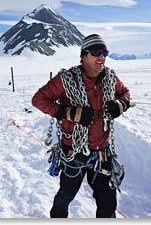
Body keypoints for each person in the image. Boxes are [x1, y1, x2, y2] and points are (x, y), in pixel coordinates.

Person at [31, 34, 131, 218]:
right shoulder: (66, 79)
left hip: (101, 153)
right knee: (65, 196)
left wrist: (121, 104)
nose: (101, 57)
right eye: (96, 52)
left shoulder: (109, 77)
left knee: (108, 202)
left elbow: (125, 93)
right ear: (83, 56)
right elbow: (38, 99)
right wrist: (69, 112)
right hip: (73, 153)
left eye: (105, 52)